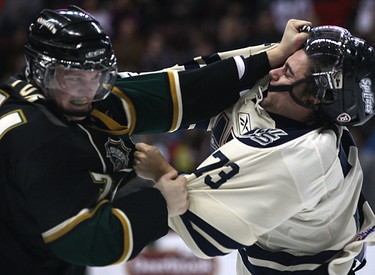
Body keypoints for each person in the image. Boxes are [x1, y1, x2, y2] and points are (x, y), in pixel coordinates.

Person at [0, 5, 312, 275]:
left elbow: (182, 90)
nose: (86, 91)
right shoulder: (37, 138)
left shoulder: (75, 97)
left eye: (97, 76)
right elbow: (88, 241)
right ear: (41, 72)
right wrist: (161, 202)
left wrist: (274, 55)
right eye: (75, 78)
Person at [134, 25, 375, 274]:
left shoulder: (306, 153)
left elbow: (202, 231)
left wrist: (160, 173)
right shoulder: (279, 94)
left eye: (288, 72)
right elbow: (190, 89)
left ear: (314, 97)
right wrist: (279, 50)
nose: (274, 71)